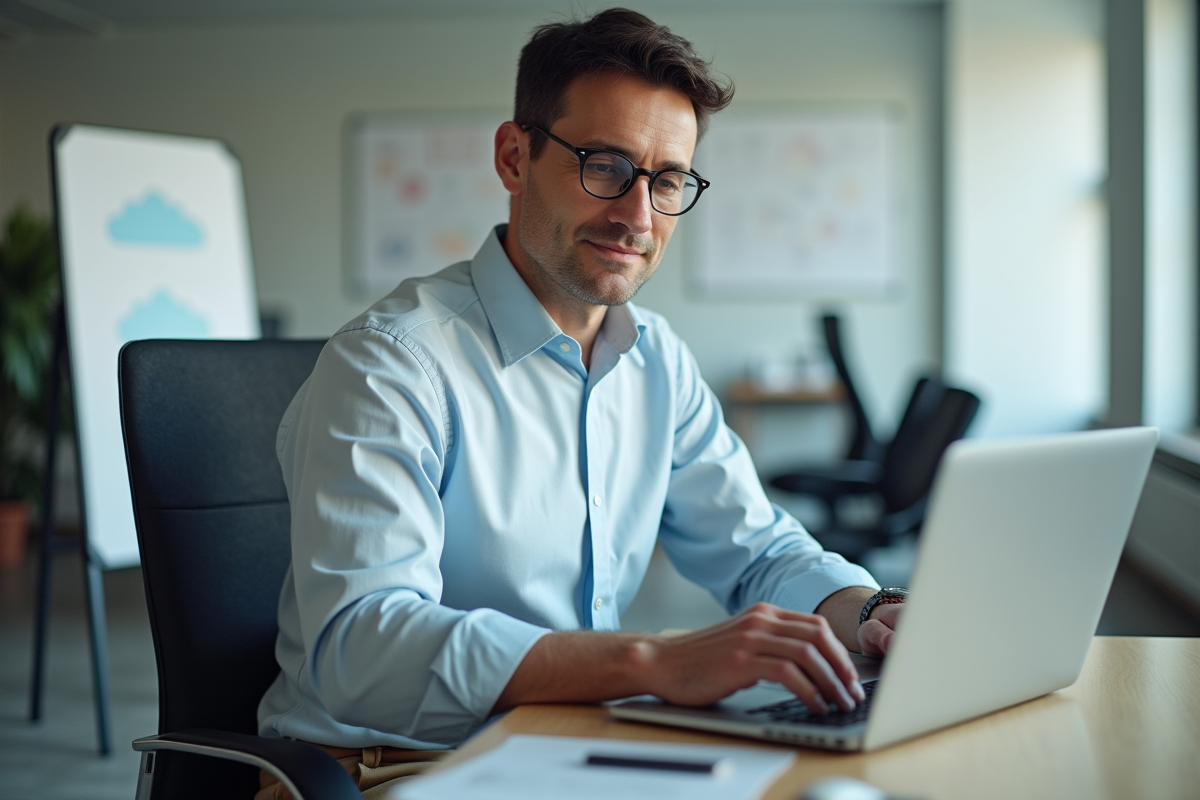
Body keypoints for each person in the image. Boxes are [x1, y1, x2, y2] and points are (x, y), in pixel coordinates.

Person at [256, 8, 903, 798]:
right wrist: (652, 663)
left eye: (667, 181)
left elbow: (759, 549)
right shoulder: (392, 365)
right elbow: (362, 652)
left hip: (571, 744)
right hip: (384, 771)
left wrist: (869, 608)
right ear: (513, 155)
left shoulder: (656, 358)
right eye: (604, 165)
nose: (637, 216)